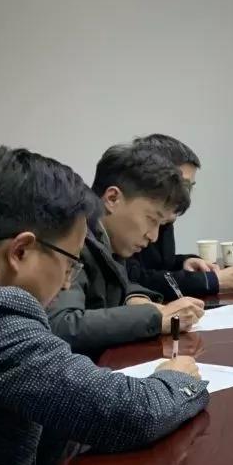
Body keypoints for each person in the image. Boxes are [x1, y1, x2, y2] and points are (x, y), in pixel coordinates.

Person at [0, 147, 208, 465]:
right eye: (70, 264)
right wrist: (178, 378)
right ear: (21, 251)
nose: (67, 282)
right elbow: (128, 414)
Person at [48, 144, 205, 358]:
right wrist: (155, 318)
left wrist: (134, 297)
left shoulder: (108, 240)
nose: (153, 236)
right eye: (152, 219)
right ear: (113, 198)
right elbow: (63, 325)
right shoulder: (74, 241)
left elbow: (119, 283)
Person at [127, 134, 233, 299]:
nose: (185, 196)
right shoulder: (132, 221)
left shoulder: (165, 220)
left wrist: (184, 262)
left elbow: (159, 266)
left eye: (189, 187)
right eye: (182, 185)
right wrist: (212, 281)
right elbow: (137, 279)